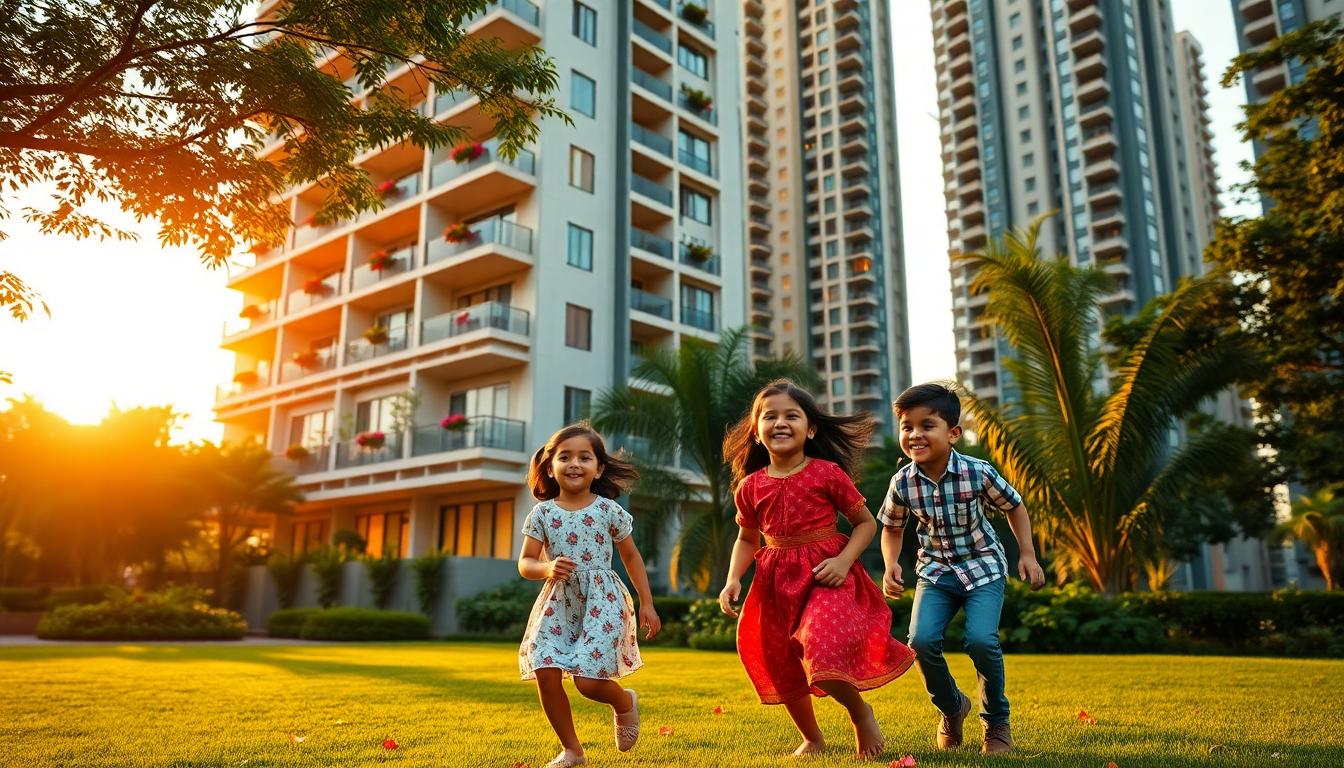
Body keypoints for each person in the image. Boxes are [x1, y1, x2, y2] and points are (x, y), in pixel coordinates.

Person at [719, 378, 915, 759]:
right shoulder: (750, 486)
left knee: (821, 648)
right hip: (774, 581)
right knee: (779, 659)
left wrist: (843, 562)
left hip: (827, 575)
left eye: (791, 416)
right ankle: (812, 736)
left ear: (810, 429)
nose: (780, 422)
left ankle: (860, 714)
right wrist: (732, 580)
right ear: (757, 432)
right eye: (769, 416)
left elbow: (866, 524)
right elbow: (747, 538)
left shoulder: (827, 473)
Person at [878, 382, 1046, 755]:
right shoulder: (902, 481)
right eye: (907, 426)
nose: (915, 434)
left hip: (983, 566)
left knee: (982, 641)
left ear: (953, 433)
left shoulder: (977, 472)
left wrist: (1027, 554)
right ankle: (952, 708)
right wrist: (891, 564)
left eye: (927, 425)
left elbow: (1014, 505)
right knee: (920, 642)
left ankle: (996, 724)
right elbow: (892, 527)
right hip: (935, 572)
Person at [517, 423, 661, 768]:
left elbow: (631, 556)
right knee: (545, 667)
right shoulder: (543, 513)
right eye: (565, 457)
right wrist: (546, 568)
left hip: (603, 601)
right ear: (550, 466)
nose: (574, 464)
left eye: (585, 457)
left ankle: (623, 701)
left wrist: (647, 603)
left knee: (588, 682)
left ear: (599, 468)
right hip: (558, 604)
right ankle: (572, 751)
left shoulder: (607, 509)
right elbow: (525, 562)